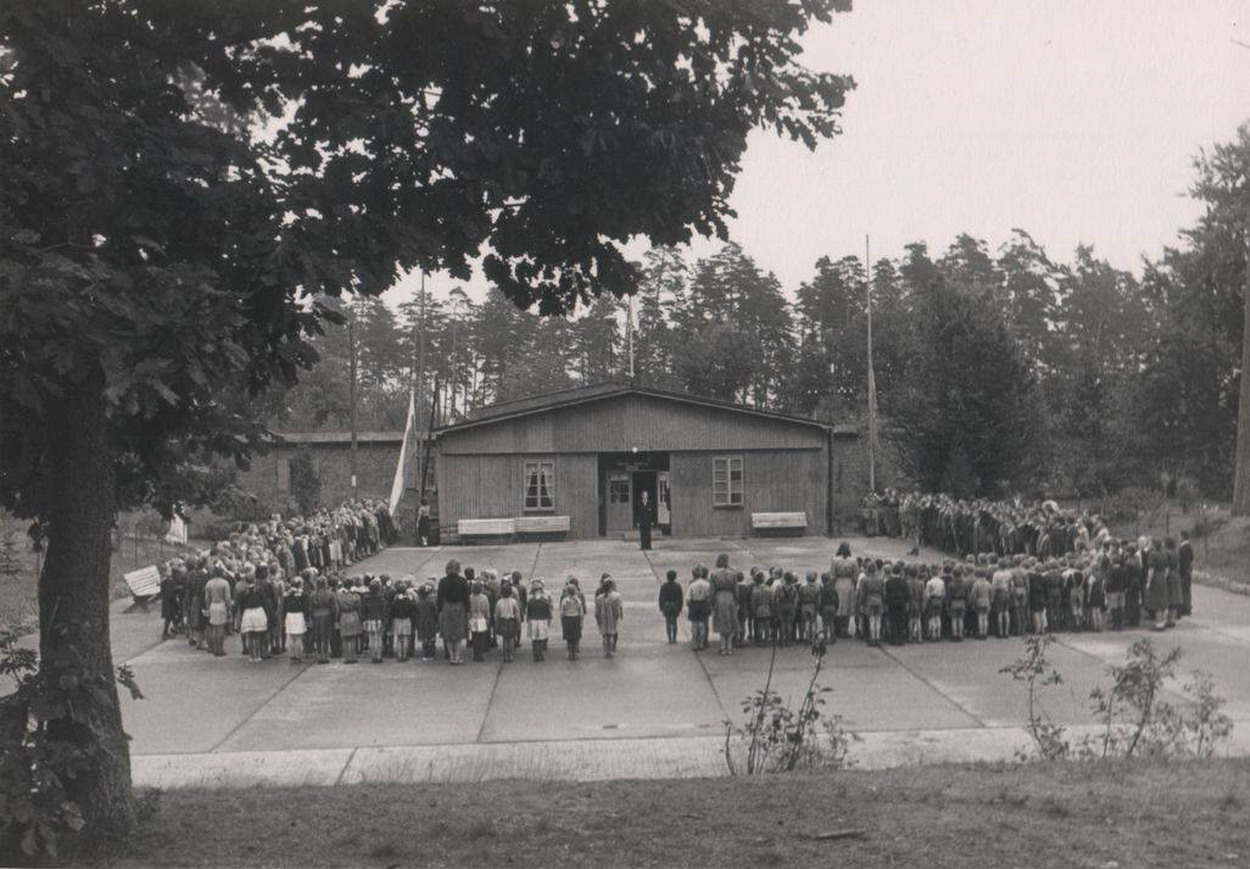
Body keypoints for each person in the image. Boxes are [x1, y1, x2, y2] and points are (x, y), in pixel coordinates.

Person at [437, 559, 470, 665]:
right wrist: (468, 609)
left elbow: (439, 597)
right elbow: (466, 597)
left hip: (447, 607)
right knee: (458, 634)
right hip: (459, 607)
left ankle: (451, 656)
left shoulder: (442, 581)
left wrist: (439, 609)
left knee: (449, 633)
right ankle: (457, 656)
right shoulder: (463, 581)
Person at [710, 554, 739, 655]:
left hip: (719, 597)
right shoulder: (733, 574)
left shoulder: (713, 574)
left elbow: (712, 590)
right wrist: (737, 600)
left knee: (721, 621)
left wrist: (712, 602)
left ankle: (722, 647)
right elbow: (736, 589)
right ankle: (729, 647)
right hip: (730, 597)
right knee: (731, 621)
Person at [203, 566, 232, 657]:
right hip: (221, 604)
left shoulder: (209, 583)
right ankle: (220, 649)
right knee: (220, 629)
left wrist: (208, 608)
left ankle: (214, 648)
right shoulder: (225, 583)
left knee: (214, 628)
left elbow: (207, 598)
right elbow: (227, 598)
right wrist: (229, 608)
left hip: (212, 605)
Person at [308, 576, 337, 664]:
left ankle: (319, 655)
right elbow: (334, 608)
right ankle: (325, 656)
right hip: (327, 615)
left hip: (316, 616)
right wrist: (334, 617)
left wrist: (312, 616)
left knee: (318, 637)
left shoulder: (312, 594)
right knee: (326, 637)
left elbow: (310, 608)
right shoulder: (330, 594)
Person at [595, 577, 623, 657]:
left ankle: (605, 651)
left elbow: (597, 610)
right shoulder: (616, 596)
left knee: (604, 635)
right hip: (612, 617)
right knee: (610, 634)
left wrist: (597, 618)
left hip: (603, 617)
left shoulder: (599, 598)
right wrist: (617, 616)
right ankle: (610, 651)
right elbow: (617, 609)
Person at [361, 578, 388, 663]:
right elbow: (384, 610)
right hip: (379, 619)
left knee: (371, 638)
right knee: (379, 638)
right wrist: (384, 620)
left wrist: (364, 620)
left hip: (369, 619)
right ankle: (379, 656)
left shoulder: (366, 598)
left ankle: (373, 656)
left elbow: (364, 610)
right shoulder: (381, 597)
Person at [494, 583, 522, 663]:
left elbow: (497, 615)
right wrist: (518, 623)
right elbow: (517, 614)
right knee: (511, 639)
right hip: (511, 621)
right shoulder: (514, 602)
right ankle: (511, 655)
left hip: (503, 621)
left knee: (505, 639)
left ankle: (505, 656)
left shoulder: (499, 602)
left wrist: (497, 624)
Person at [283, 576, 308, 664]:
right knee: (298, 637)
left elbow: (284, 606)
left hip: (289, 615)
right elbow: (306, 606)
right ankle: (298, 656)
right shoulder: (302, 594)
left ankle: (292, 656)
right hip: (298, 615)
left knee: (291, 637)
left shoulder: (287, 594)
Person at [337, 579, 362, 663]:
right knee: (352, 638)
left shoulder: (340, 596)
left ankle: (346, 657)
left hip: (344, 616)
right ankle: (353, 656)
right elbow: (359, 606)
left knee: (345, 638)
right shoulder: (355, 596)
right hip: (353, 615)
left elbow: (338, 608)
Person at [527, 579, 552, 662]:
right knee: (541, 638)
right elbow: (547, 612)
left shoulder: (530, 601)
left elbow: (528, 612)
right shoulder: (544, 601)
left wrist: (528, 619)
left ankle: (535, 653)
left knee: (534, 639)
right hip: (542, 621)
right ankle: (540, 653)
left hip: (533, 621)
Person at [687, 565, 712, 651]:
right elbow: (709, 596)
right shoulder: (707, 583)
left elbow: (688, 598)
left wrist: (689, 606)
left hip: (694, 604)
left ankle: (695, 642)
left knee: (694, 625)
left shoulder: (692, 584)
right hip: (704, 604)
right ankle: (703, 642)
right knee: (703, 624)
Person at [390, 581, 416, 662]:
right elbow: (412, 609)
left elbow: (392, 610)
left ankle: (399, 655)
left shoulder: (395, 599)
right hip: (406, 619)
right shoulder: (408, 599)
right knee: (405, 638)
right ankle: (405, 655)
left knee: (398, 638)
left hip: (397, 619)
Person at [560, 580, 586, 661]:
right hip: (576, 619)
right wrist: (581, 621)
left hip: (567, 619)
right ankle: (575, 653)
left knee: (569, 638)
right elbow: (581, 612)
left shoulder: (564, 600)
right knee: (576, 638)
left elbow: (562, 612)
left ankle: (570, 653)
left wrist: (562, 621)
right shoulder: (577, 600)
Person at [415, 582, 440, 661]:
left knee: (424, 639)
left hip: (422, 622)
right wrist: (437, 622)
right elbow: (435, 612)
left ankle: (426, 654)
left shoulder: (418, 604)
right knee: (432, 638)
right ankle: (432, 654)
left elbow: (416, 614)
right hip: (431, 622)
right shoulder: (431, 603)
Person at [658, 569, 684, 644]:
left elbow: (661, 597)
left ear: (667, 577)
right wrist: (680, 607)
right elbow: (680, 598)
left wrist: (662, 607)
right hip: (675, 605)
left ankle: (669, 638)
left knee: (668, 622)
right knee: (675, 622)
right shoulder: (678, 586)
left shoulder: (664, 586)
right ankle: (675, 638)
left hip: (667, 605)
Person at [468, 580, 492, 662]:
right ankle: (480, 654)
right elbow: (487, 609)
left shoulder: (470, 597)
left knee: (474, 637)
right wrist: (488, 618)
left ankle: (475, 654)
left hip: (473, 618)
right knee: (481, 638)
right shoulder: (484, 597)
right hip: (481, 618)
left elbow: (468, 610)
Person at [798, 570, 822, 644]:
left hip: (804, 605)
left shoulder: (803, 587)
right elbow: (818, 599)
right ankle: (812, 637)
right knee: (813, 623)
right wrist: (818, 608)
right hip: (813, 605)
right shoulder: (817, 587)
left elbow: (800, 597)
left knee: (806, 622)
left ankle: (806, 637)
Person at [1177, 531, 1194, 617]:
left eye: (1180, 537)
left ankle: (1185, 608)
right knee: (1187, 589)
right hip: (1188, 570)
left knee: (1184, 590)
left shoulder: (1182, 548)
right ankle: (1188, 607)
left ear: (1183, 537)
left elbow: (1182, 562)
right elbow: (1191, 558)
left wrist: (1181, 572)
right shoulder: (1189, 546)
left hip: (1184, 571)